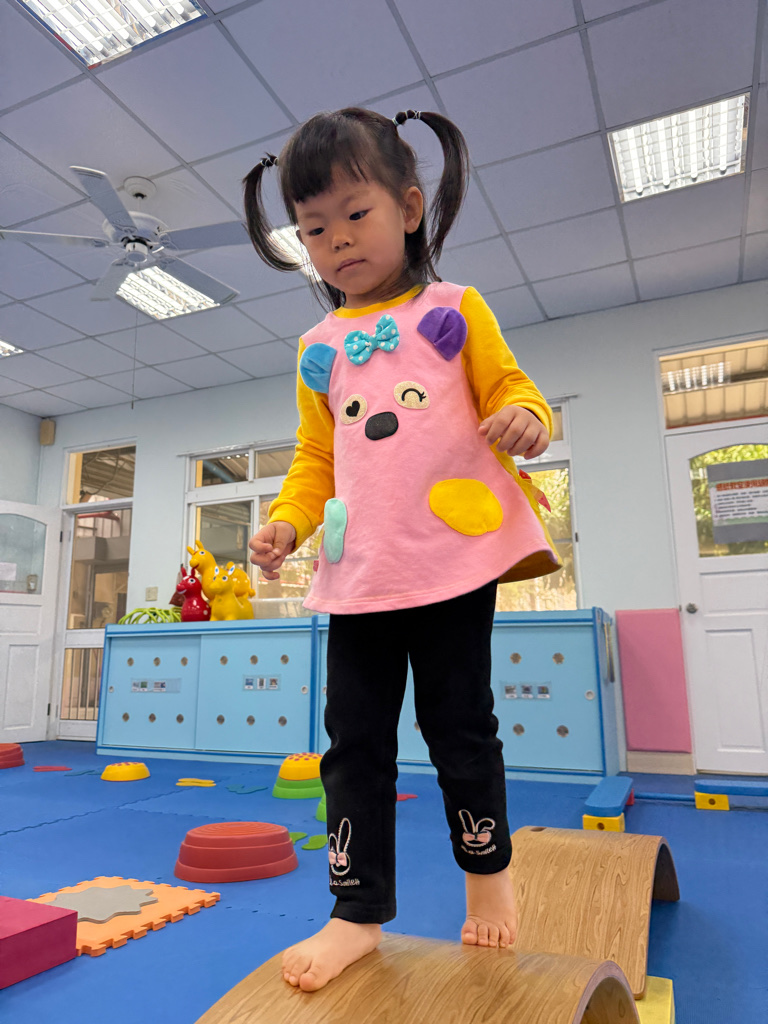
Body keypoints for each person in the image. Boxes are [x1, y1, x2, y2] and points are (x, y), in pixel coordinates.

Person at [243, 107, 561, 993]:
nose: (337, 240)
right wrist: (287, 523)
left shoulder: (454, 309)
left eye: (356, 213)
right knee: (353, 743)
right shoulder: (317, 349)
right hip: (362, 575)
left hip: (449, 562)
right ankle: (356, 913)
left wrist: (526, 418)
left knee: (459, 727)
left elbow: (514, 389)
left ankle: (487, 878)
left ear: (410, 208)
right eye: (314, 229)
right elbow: (316, 459)